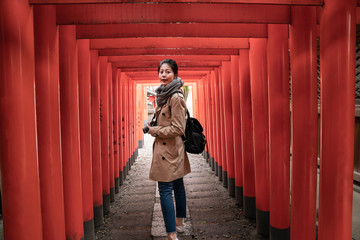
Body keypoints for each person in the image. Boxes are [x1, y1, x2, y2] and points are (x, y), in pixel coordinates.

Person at [143, 59, 191, 240]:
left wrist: (153, 130)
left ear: (175, 74)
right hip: (168, 149)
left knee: (164, 189)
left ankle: (172, 234)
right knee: (177, 184)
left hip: (170, 150)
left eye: (167, 72)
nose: (163, 75)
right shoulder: (164, 94)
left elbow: (179, 128)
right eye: (161, 71)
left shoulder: (176, 97)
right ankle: (179, 223)